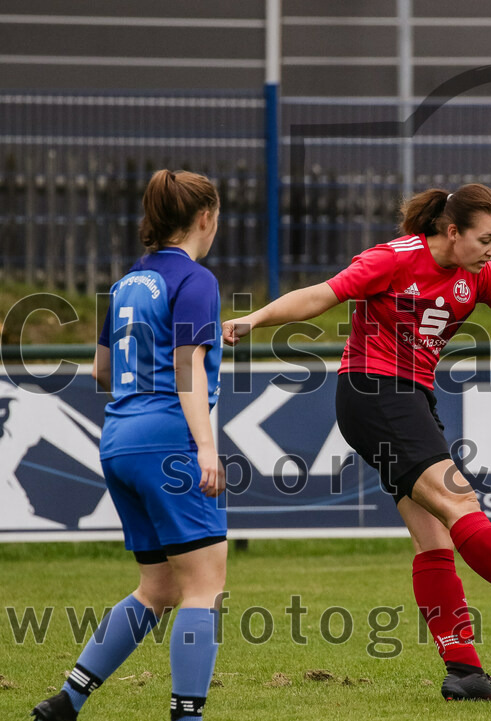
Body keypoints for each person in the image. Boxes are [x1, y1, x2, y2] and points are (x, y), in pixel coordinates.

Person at [223, 183, 491, 701]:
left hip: (408, 399)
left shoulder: (481, 275)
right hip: (373, 391)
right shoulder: (394, 258)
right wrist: (255, 317)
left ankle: (464, 672)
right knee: (460, 502)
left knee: (434, 536)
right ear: (453, 232)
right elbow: (321, 295)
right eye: (486, 239)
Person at [33, 170, 226, 721]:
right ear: (205, 218)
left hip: (119, 440)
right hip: (168, 443)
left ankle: (67, 700)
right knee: (204, 587)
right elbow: (187, 366)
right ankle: (187, 715)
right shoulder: (197, 280)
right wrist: (206, 448)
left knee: (158, 586)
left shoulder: (128, 281)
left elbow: (100, 369)